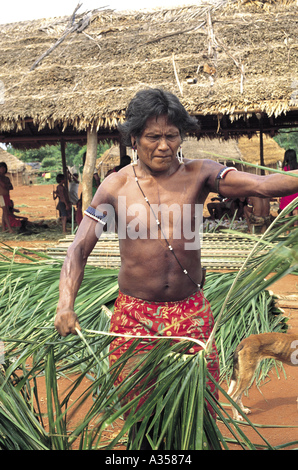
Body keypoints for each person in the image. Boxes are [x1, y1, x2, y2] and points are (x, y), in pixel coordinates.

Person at [54, 88, 298, 448]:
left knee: (198, 410)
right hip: (135, 317)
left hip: (190, 314)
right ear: (134, 138)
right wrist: (65, 303)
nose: (164, 145)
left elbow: (261, 185)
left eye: (172, 135)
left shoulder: (200, 174)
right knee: (141, 413)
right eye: (153, 136)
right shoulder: (114, 187)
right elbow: (78, 249)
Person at [279, 149, 298, 221]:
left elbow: (283, 183)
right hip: (296, 193)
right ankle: (295, 230)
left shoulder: (286, 169)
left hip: (288, 193)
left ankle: (286, 231)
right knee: (296, 213)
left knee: (287, 213)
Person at [0, 162, 13, 233]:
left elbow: (11, 187)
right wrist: (7, 185)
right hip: (1, 196)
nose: (3, 169)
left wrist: (7, 185)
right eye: (1, 167)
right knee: (5, 212)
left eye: (4, 167)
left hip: (6, 196)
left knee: (4, 212)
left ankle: (4, 228)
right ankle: (10, 229)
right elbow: (4, 186)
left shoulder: (6, 178)